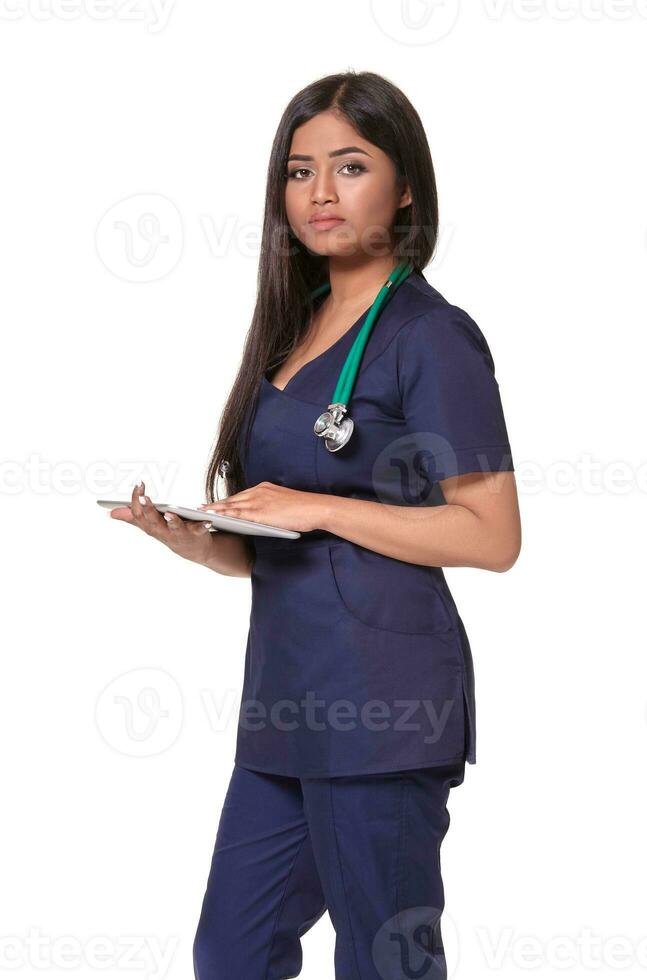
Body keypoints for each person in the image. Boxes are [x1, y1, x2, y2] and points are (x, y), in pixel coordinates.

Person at [111, 70, 521, 980]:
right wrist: (202, 540)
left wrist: (318, 505)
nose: (321, 194)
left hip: (385, 705)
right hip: (284, 704)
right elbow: (291, 548)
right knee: (232, 953)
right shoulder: (292, 329)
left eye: (349, 165)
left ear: (405, 184)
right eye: (299, 172)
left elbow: (492, 536)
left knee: (382, 965)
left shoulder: (431, 335)